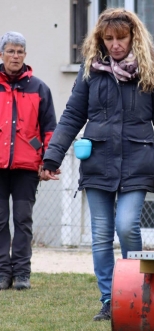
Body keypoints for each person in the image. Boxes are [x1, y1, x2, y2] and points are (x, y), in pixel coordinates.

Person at [41, 7, 154, 321]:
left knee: (127, 225)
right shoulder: (91, 69)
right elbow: (73, 115)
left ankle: (140, 294)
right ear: (101, 39)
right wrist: (53, 155)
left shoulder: (152, 68)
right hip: (99, 161)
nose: (116, 44)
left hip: (138, 160)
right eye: (109, 38)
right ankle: (109, 300)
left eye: (122, 37)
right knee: (101, 235)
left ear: (133, 36)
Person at [0, 31, 57, 290]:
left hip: (27, 167)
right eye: (11, 51)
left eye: (20, 51)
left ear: (25, 55)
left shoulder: (39, 88)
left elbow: (50, 130)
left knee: (23, 219)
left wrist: (48, 161)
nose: (15, 56)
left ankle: (22, 274)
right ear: (2, 54)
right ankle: (3, 274)